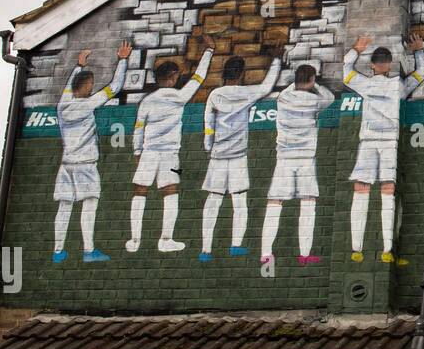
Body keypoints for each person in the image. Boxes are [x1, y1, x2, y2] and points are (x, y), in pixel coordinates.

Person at [342, 32, 424, 265]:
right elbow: (423, 73)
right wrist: (419, 50)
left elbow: (346, 71)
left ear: (372, 65)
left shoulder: (365, 84)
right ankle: (387, 248)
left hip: (368, 142)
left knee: (361, 191)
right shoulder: (397, 86)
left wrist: (356, 49)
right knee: (387, 192)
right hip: (389, 142)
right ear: (388, 65)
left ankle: (356, 248)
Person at [128, 40, 214, 254]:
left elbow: (138, 128)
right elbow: (199, 78)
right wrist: (208, 52)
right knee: (170, 192)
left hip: (148, 153)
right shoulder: (179, 97)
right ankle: (166, 239)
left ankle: (134, 239)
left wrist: (137, 152)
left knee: (140, 191)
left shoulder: (146, 101)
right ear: (173, 77)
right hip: (169, 155)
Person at [199, 49, 282, 261]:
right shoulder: (246, 93)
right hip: (238, 156)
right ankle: (236, 245)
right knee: (239, 201)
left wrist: (209, 146)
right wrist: (276, 61)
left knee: (213, 200)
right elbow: (267, 86)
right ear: (242, 74)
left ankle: (206, 249)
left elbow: (208, 125)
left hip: (218, 155)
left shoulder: (215, 95)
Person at [52, 42, 131, 263]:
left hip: (66, 165)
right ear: (86, 86)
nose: (93, 87)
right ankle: (89, 250)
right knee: (89, 205)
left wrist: (78, 65)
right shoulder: (87, 105)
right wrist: (122, 60)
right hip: (85, 164)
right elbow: (115, 87)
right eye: (91, 84)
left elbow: (68, 87)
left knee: (64, 207)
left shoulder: (62, 105)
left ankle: (58, 251)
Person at [260, 64, 335, 265]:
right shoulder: (316, 101)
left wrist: (297, 83)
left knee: (275, 204)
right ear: (311, 80)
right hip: (306, 159)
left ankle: (266, 253)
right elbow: (330, 97)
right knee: (308, 205)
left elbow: (286, 91)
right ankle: (304, 254)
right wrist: (316, 84)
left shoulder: (283, 98)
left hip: (284, 158)